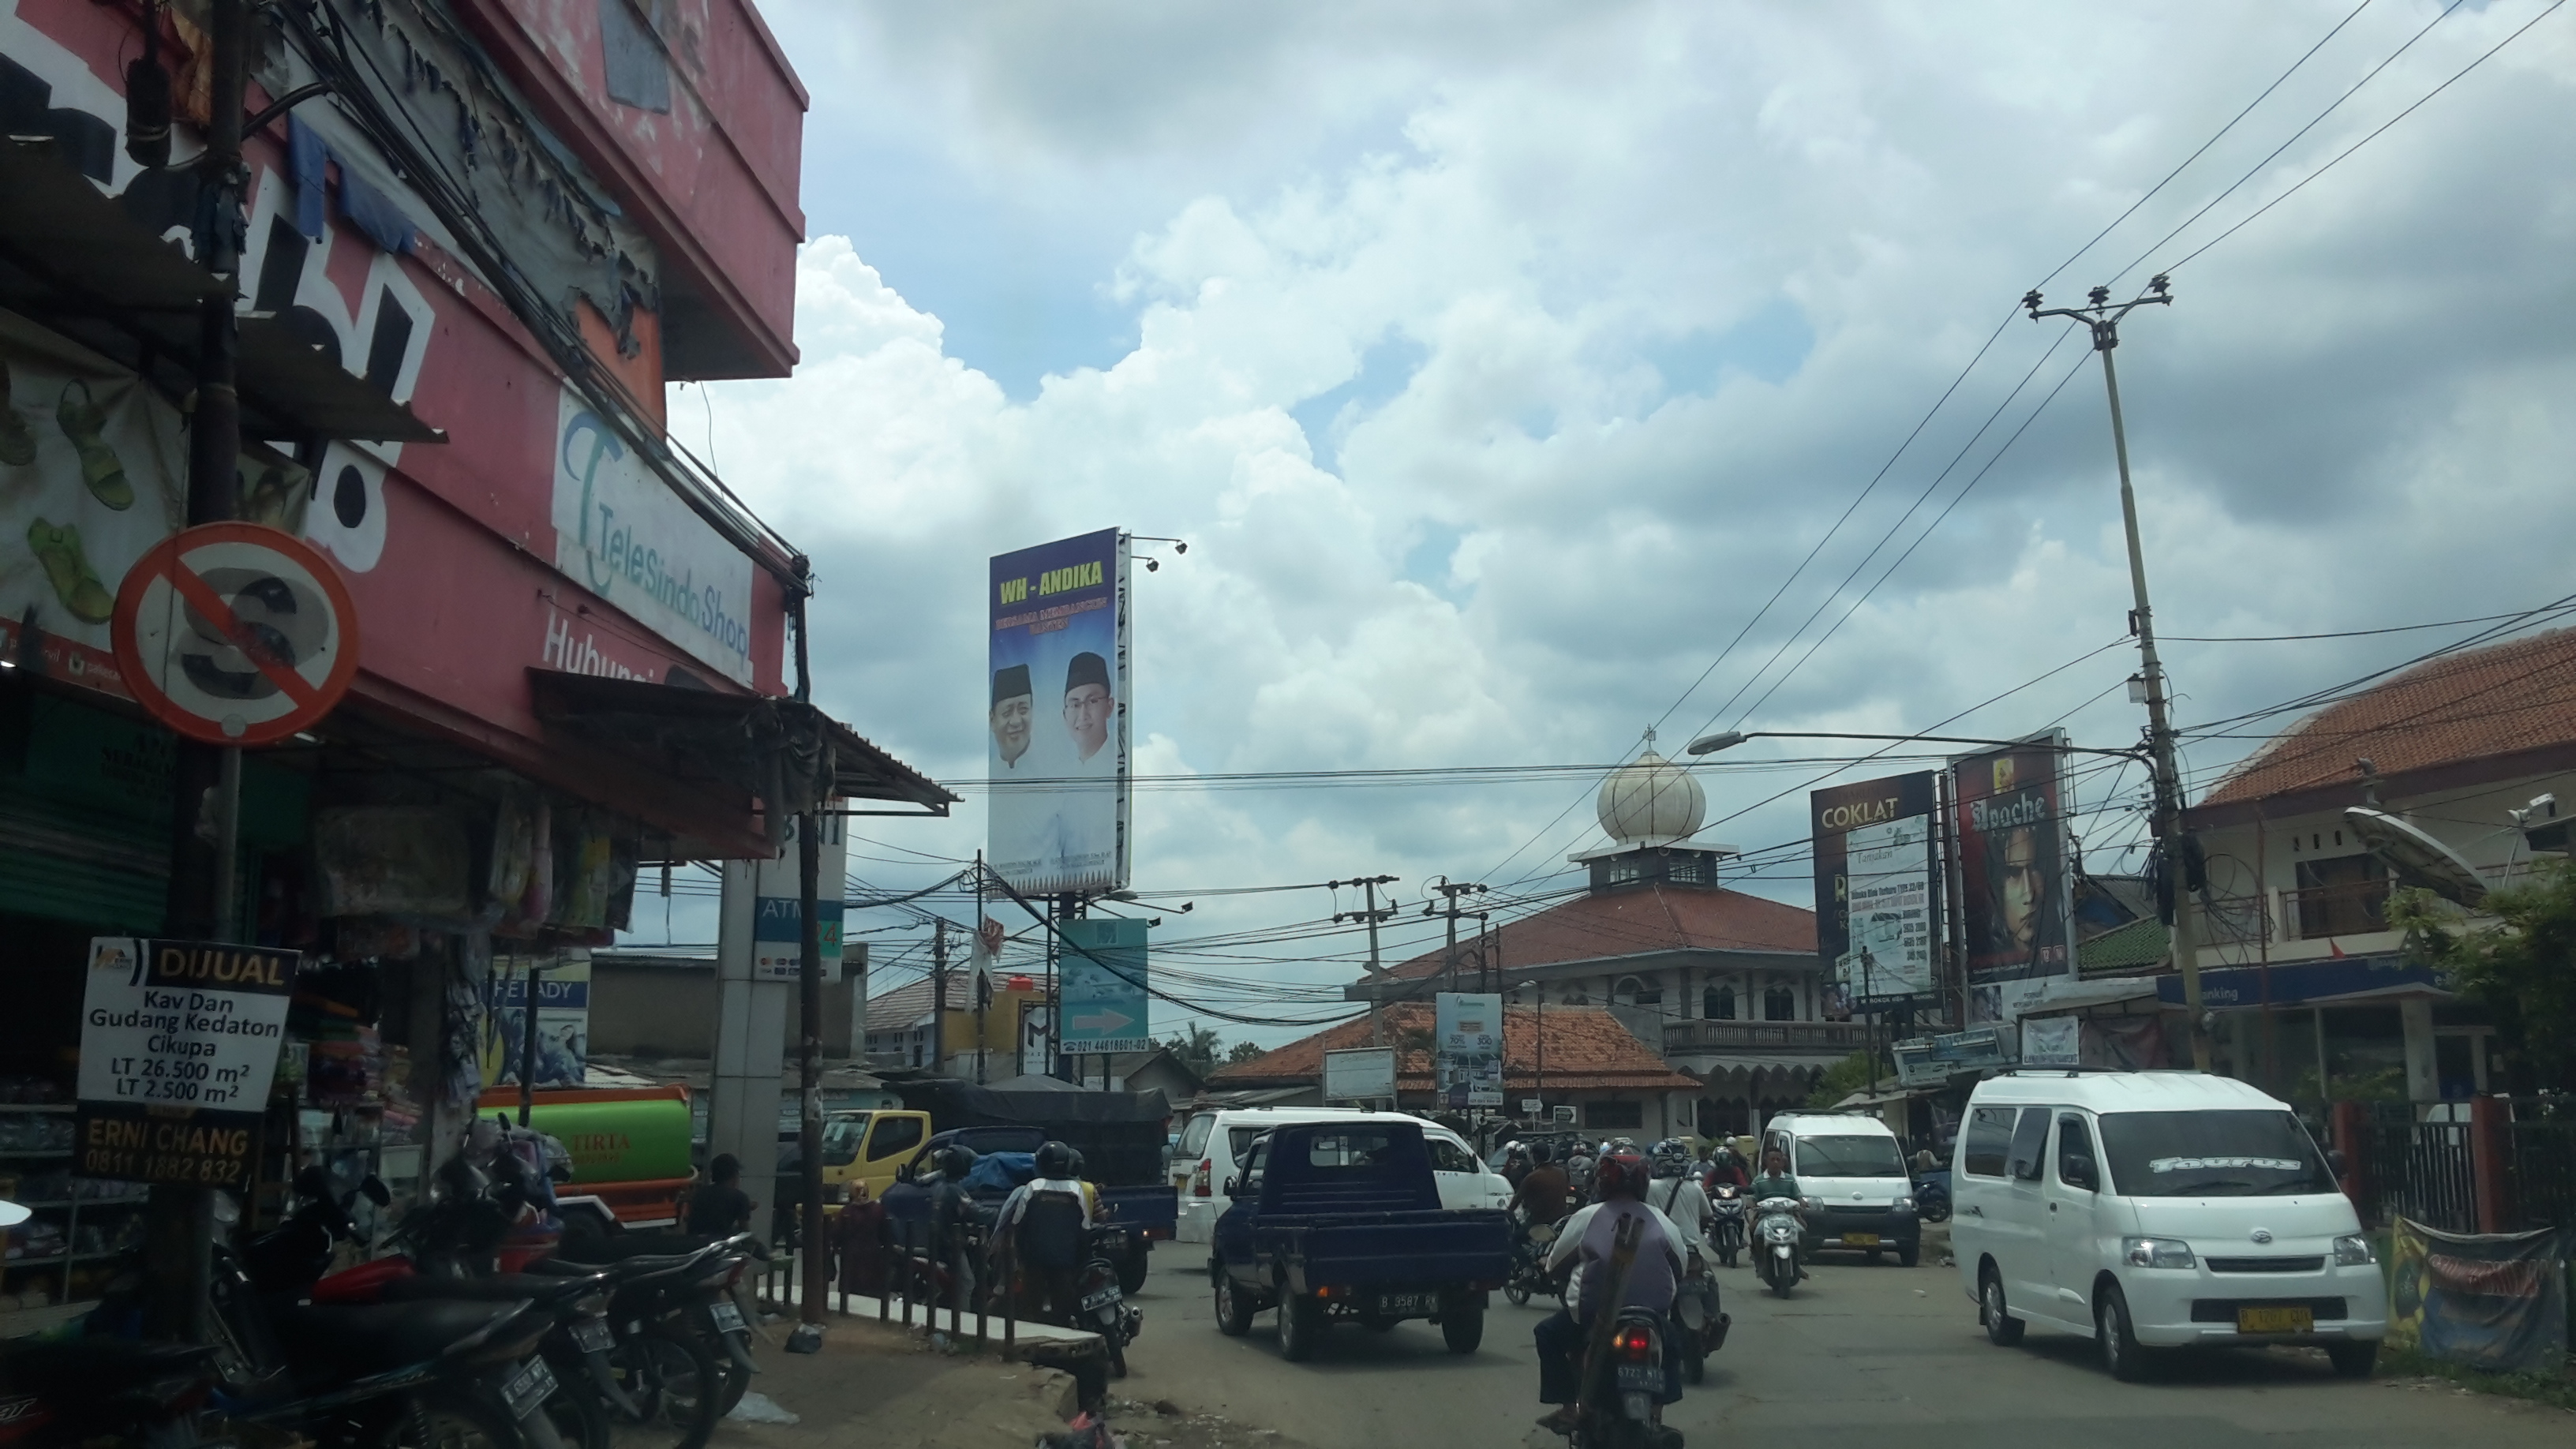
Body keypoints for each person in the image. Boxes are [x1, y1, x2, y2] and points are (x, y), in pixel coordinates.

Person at [1533, 1150, 1686, 1435]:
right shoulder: (1662, 1221)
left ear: (1601, 1182)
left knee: (1547, 1334)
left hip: (1594, 1316)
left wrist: (1550, 1266)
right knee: (1674, 1342)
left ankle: (1568, 1409)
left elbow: (1554, 1266)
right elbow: (1680, 1268)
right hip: (1651, 1318)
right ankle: (1657, 1411)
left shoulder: (1586, 1217)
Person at [994, 1141, 1093, 1324]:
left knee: (1031, 1307)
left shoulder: (1032, 1187)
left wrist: (1022, 1256)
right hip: (1065, 1260)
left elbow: (1017, 1223)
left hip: (1034, 1260)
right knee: (1062, 1307)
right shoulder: (1076, 1189)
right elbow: (1085, 1228)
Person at [1746, 1146, 1807, 1280]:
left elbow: (1798, 1196)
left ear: (1783, 1162)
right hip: (1765, 1216)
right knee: (1756, 1232)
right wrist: (1751, 1204)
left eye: (1778, 1159)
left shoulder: (1790, 1180)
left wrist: (1801, 1202)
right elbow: (1752, 1199)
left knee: (1802, 1231)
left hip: (1789, 1215)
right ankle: (1760, 1261)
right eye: (1772, 1159)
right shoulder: (1758, 1180)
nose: (1775, 1162)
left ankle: (1798, 1261)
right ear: (1766, 1162)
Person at [1062, 652, 1116, 769]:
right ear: (1065, 715)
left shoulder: (1117, 762)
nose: (1083, 715)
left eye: (1092, 701)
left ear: (1109, 707)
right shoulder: (1064, 772)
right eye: (1075, 705)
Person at [687, 1153, 755, 1238]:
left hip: (695, 1241)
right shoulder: (740, 1197)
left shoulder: (700, 1193)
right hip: (720, 1243)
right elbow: (745, 1230)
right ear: (734, 1175)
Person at [1511, 1141, 1572, 1228]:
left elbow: (1517, 1199)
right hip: (1560, 1220)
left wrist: (1508, 1212)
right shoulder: (1562, 1173)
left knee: (1517, 1237)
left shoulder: (1532, 1177)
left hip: (1539, 1222)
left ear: (1535, 1156)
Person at [989, 664, 1034, 770]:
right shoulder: (994, 770)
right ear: (992, 720)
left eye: (1023, 710)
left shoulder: (1050, 765)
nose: (1016, 721)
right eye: (1007, 713)